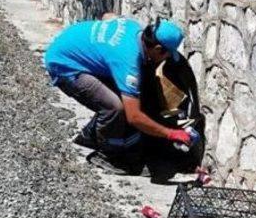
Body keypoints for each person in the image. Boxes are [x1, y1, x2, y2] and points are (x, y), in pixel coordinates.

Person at [43, 15, 194, 162]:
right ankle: (108, 156)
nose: (166, 59)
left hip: (71, 39)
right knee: (115, 107)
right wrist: (170, 133)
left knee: (127, 93)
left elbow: (108, 16)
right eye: (167, 55)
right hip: (63, 65)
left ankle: (90, 135)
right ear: (157, 48)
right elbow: (134, 117)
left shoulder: (133, 26)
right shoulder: (128, 63)